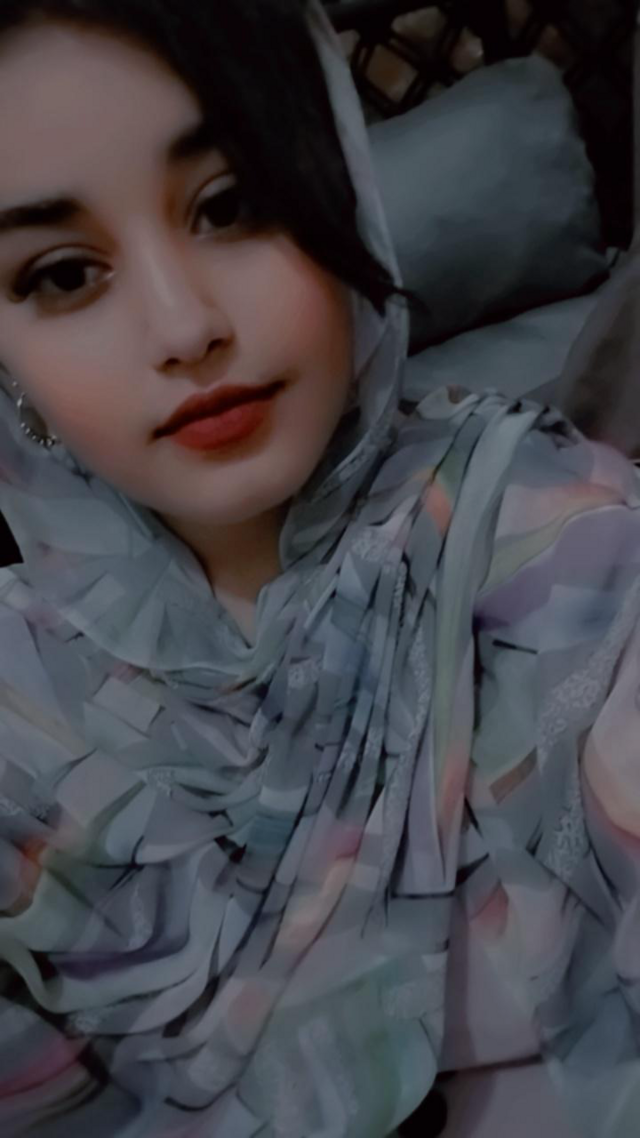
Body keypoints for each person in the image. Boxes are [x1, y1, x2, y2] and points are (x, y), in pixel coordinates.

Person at [0, 3, 638, 1136]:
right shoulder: (17, 716)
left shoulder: (553, 542)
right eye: (61, 274)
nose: (183, 327)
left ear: (333, 189)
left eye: (230, 205)